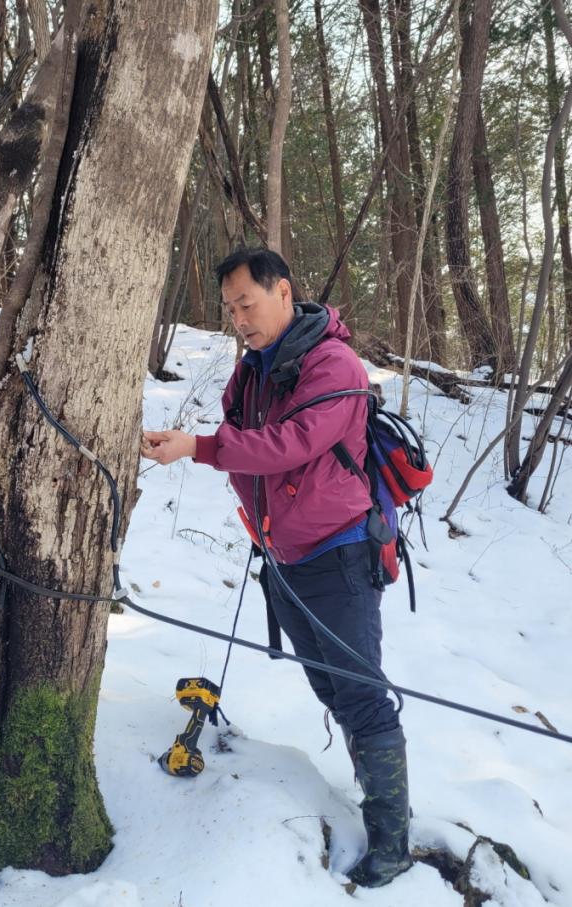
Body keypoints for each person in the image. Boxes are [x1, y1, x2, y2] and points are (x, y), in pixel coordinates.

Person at [141, 248, 412, 888]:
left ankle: (393, 839)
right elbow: (243, 440)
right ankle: (372, 795)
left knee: (362, 697)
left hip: (341, 554)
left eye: (247, 303)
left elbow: (291, 444)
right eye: (230, 308)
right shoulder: (253, 369)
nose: (239, 319)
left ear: (283, 292)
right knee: (331, 690)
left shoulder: (334, 364)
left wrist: (198, 448)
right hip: (284, 558)